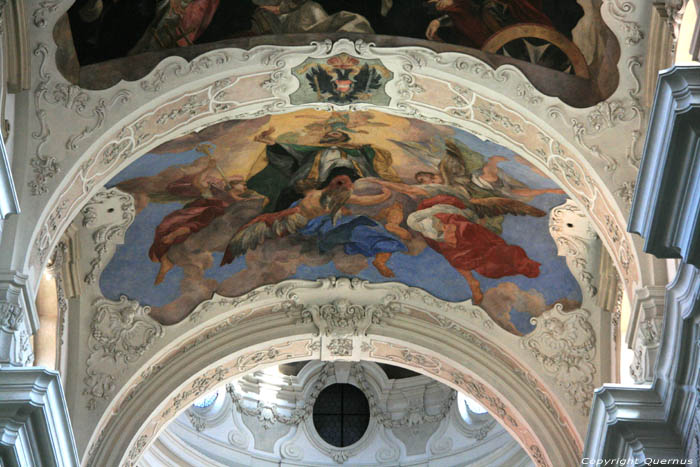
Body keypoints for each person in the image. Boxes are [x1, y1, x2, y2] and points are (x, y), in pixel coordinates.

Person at [246, 127, 401, 212]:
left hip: (350, 176)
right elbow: (291, 155)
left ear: (343, 138)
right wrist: (272, 144)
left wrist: (366, 148)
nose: (332, 135)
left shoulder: (355, 150)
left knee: (346, 178)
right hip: (318, 180)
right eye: (329, 134)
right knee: (288, 194)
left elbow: (377, 159)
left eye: (336, 133)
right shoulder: (314, 151)